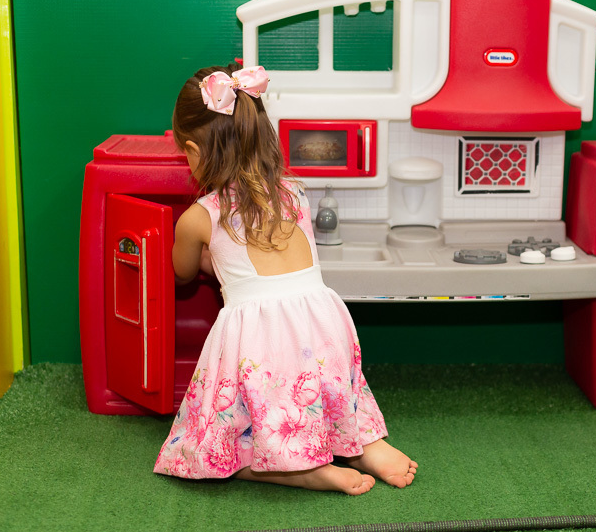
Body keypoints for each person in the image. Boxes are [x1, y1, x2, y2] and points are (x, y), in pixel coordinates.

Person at [153, 64, 417, 495]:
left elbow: (182, 271)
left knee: (204, 450)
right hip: (324, 332)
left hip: (264, 347)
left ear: (194, 152)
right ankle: (363, 444)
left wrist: (205, 255)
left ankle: (291, 469)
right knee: (313, 393)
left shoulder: (199, 217)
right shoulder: (295, 191)